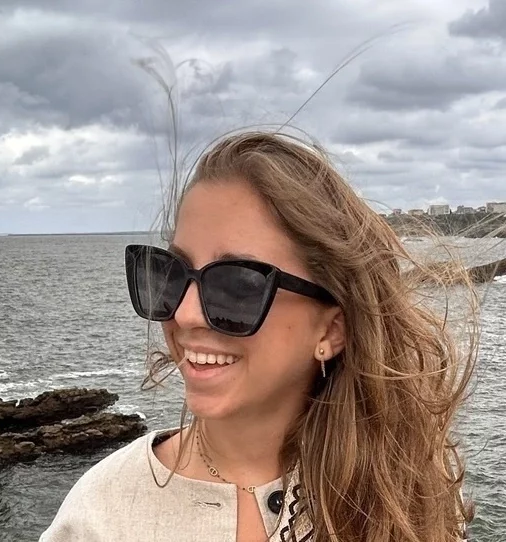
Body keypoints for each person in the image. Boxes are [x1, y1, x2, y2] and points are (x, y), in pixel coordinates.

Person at [40, 131, 474, 541]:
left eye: (237, 285)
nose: (185, 314)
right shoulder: (101, 513)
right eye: (170, 273)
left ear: (331, 329)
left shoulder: (410, 495)